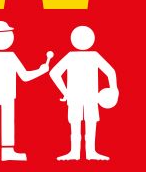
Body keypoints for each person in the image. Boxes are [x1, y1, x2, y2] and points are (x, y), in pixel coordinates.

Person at [0, 20, 52, 161]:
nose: (10, 37)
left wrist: (41, 71)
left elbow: (25, 76)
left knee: (7, 120)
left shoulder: (11, 56)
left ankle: (8, 150)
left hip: (8, 95)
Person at [48, 25, 116, 161]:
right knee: (77, 122)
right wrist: (114, 89)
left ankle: (88, 152)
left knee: (88, 122)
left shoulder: (86, 56)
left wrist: (65, 92)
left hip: (89, 98)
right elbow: (111, 72)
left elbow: (110, 71)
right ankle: (77, 152)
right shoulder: (75, 56)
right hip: (79, 98)